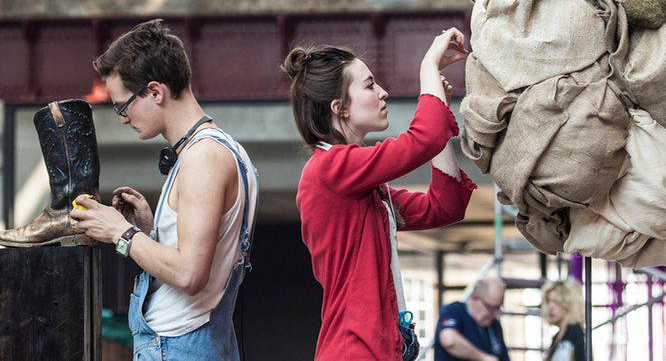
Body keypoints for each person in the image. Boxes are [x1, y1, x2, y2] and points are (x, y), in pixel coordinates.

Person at [281, 27, 477, 360]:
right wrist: (429, 66)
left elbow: (445, 206)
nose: (383, 92)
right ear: (340, 108)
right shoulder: (331, 169)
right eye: (370, 85)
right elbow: (423, 138)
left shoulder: (361, 185)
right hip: (354, 350)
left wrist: (440, 108)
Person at [70, 19, 259, 360]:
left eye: (123, 106)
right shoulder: (220, 150)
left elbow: (190, 274)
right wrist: (149, 230)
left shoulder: (203, 157)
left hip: (177, 347)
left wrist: (121, 233)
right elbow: (202, 261)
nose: (123, 119)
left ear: (155, 92)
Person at [434, 277, 510, 361]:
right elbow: (449, 340)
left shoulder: (494, 324)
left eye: (499, 308)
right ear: (475, 298)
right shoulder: (454, 311)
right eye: (492, 308)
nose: (496, 313)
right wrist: (483, 358)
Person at [541, 279, 586, 361]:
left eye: (556, 302)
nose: (550, 307)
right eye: (548, 301)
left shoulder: (576, 332)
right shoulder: (556, 337)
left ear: (568, 304)